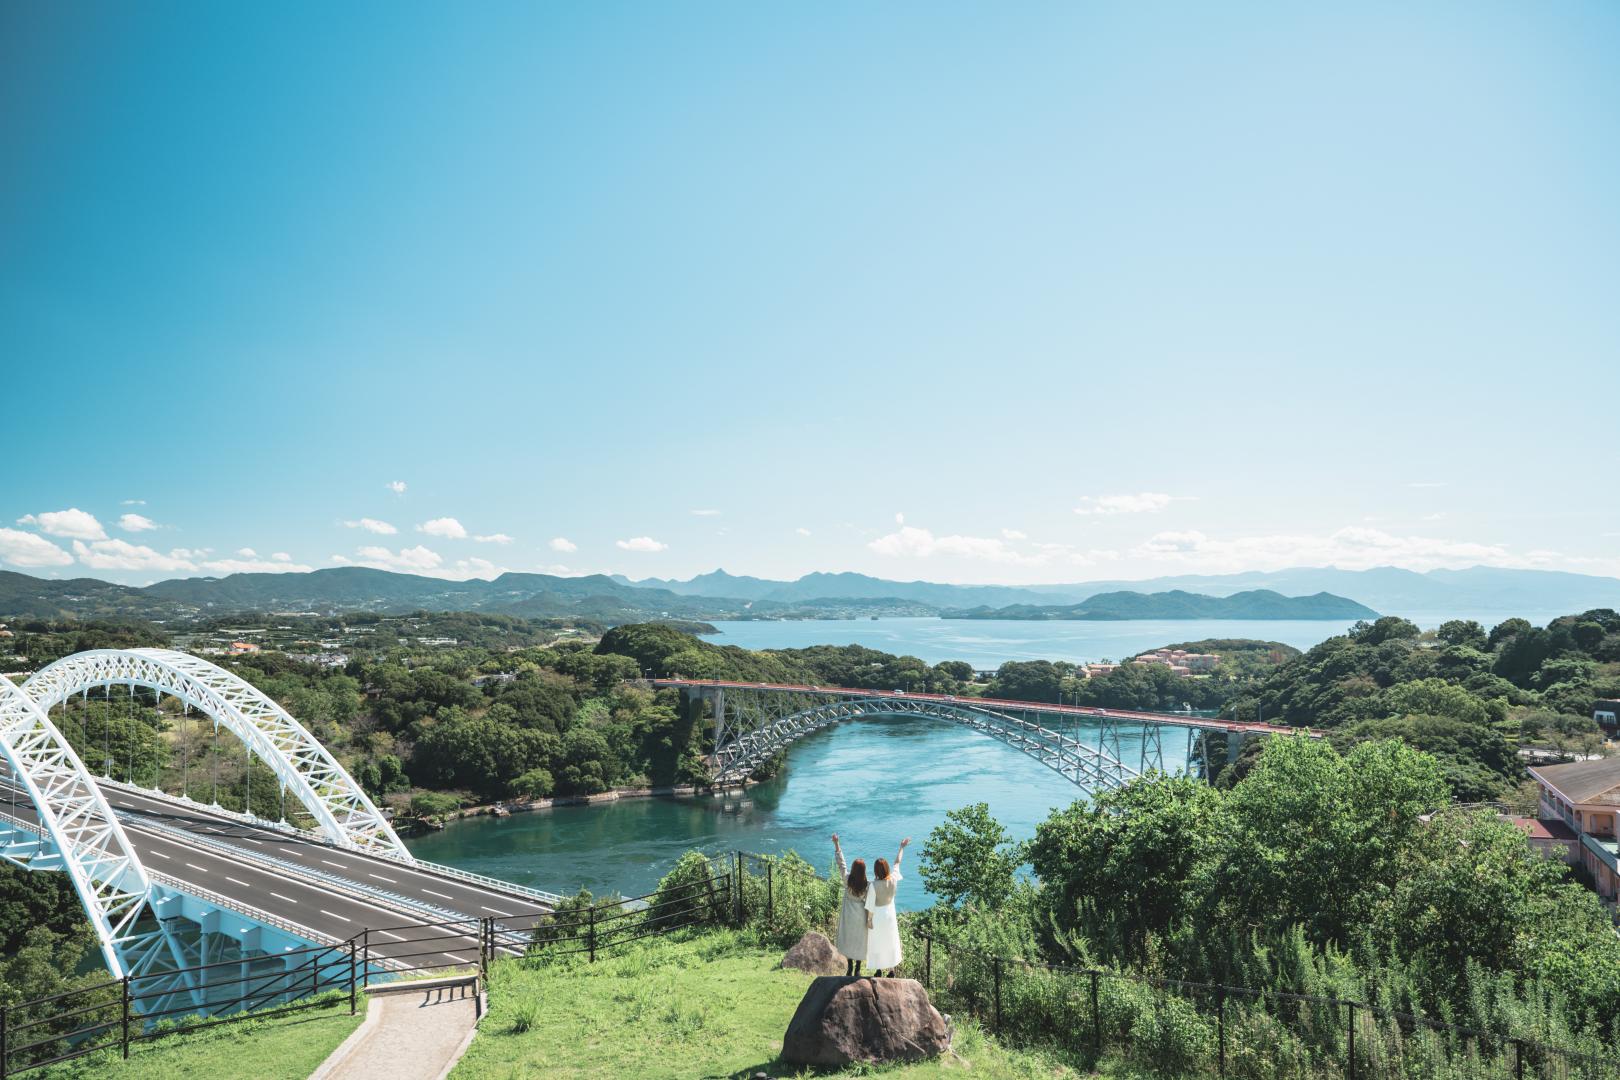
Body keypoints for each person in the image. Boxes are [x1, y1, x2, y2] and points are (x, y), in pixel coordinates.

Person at [864, 837, 909, 976]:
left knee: (878, 941)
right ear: (887, 869)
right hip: (889, 914)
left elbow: (870, 905)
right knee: (890, 940)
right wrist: (902, 847)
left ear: (876, 871)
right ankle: (891, 970)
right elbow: (897, 862)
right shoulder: (894, 879)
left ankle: (878, 970)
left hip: (877, 915)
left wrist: (869, 920)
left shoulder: (873, 885)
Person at [831, 833, 868, 976]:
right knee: (859, 940)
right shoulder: (866, 884)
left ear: (853, 869)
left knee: (848, 939)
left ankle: (850, 966)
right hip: (861, 914)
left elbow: (841, 864)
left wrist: (836, 844)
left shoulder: (848, 880)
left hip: (848, 915)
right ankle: (858, 967)